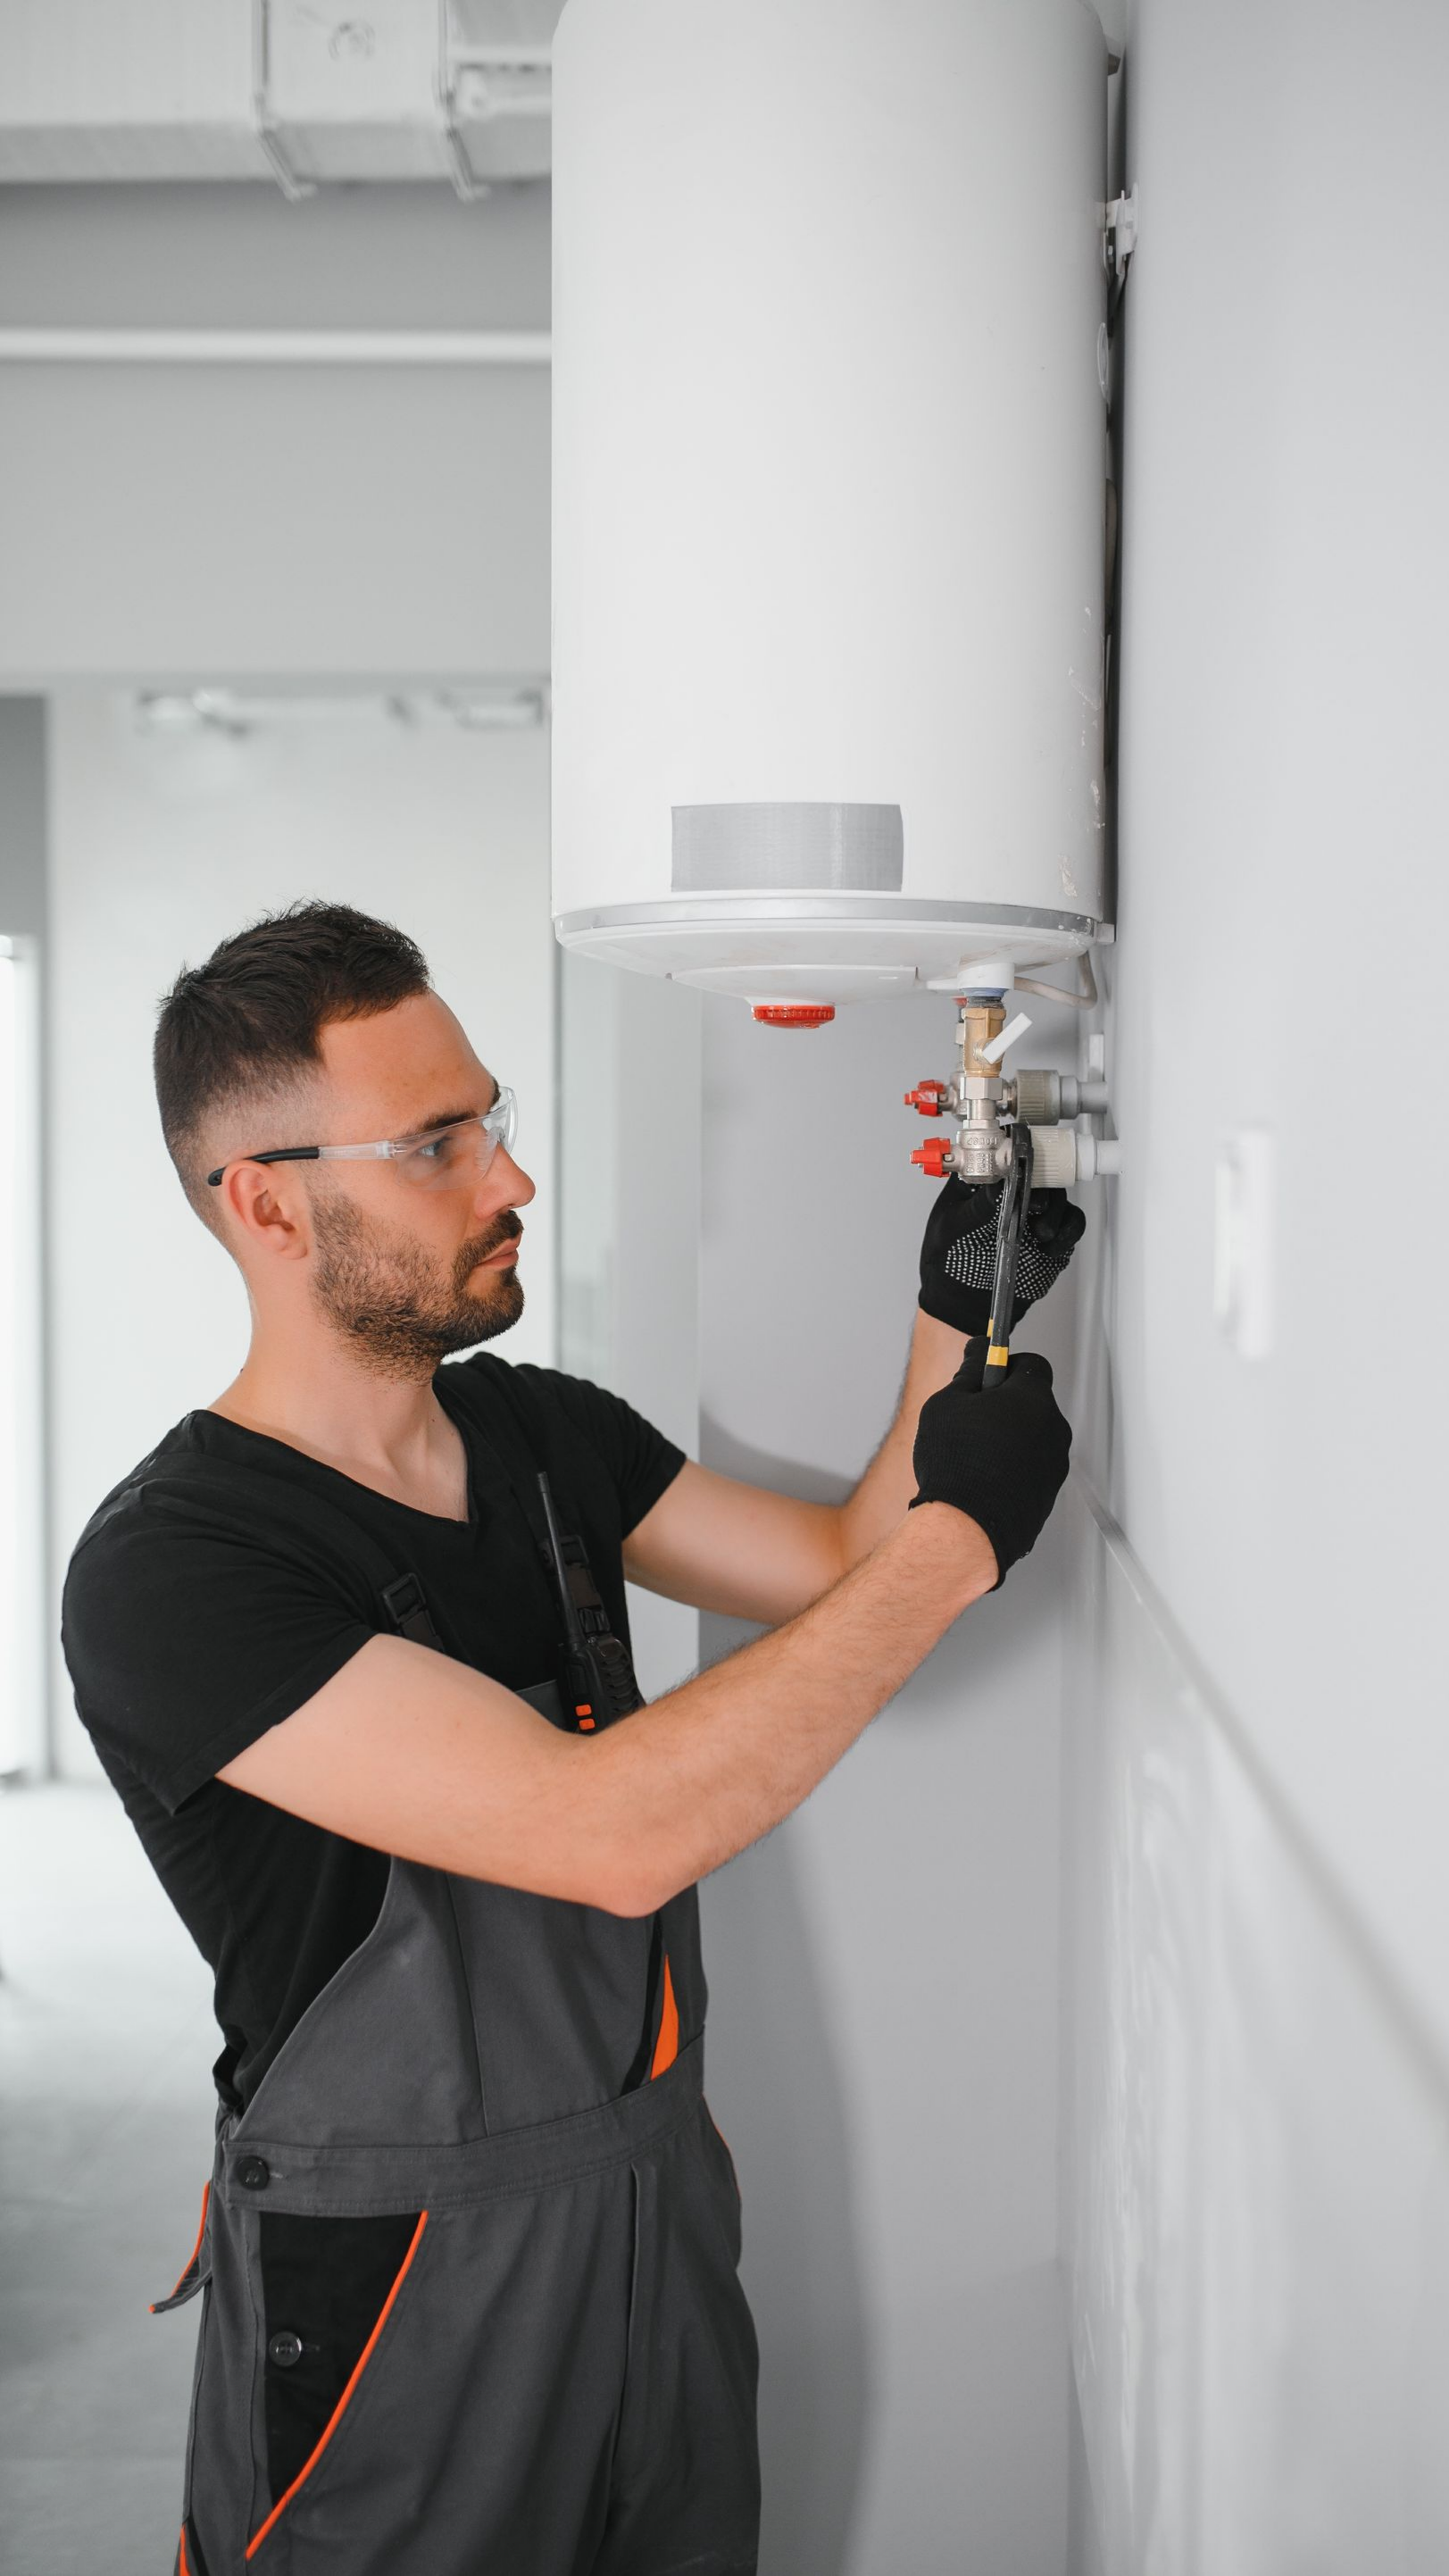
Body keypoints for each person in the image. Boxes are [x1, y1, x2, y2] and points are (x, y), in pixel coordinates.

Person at [62, 902, 1080, 2576]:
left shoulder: (545, 1435)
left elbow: (835, 1563)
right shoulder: (181, 1568)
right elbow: (605, 1832)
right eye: (439, 1143)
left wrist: (958, 1299)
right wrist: (960, 1552)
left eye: (494, 1123)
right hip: (403, 2280)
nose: (511, 1180)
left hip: (653, 2214)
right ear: (266, 1206)